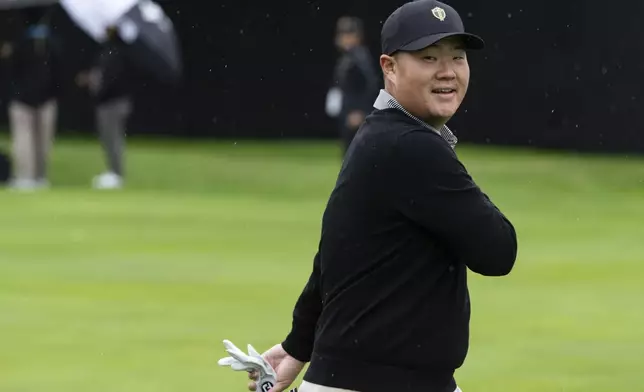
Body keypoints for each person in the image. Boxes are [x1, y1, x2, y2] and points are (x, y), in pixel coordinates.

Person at [244, 1, 518, 391]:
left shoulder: (378, 136)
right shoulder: (411, 146)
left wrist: (297, 347)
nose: (448, 71)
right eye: (428, 58)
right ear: (389, 67)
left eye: (457, 57)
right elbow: (498, 250)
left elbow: (333, 255)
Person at [1, 5, 60, 190]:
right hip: (46, 98)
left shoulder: (21, 44)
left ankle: (27, 177)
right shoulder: (52, 42)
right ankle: (39, 177)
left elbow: (12, 71)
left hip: (23, 98)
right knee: (43, 141)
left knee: (24, 139)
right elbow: (59, 74)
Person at [76, 28, 133, 190]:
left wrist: (96, 85)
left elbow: (109, 79)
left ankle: (117, 174)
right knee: (110, 139)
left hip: (113, 103)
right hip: (113, 102)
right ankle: (114, 172)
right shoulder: (111, 51)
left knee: (113, 139)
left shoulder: (115, 52)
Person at [325, 16, 380, 156]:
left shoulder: (360, 57)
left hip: (356, 116)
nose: (343, 38)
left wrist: (361, 111)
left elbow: (371, 85)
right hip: (347, 115)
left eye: (348, 34)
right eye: (341, 33)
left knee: (356, 157)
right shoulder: (347, 57)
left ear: (357, 36)